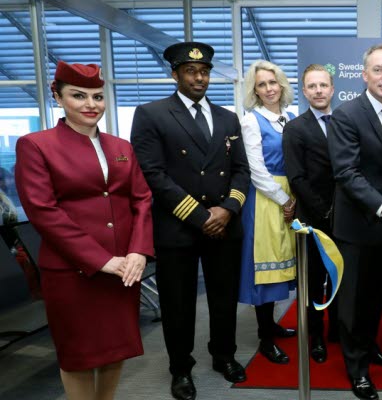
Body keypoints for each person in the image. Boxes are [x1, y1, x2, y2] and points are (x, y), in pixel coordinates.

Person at [15, 60, 154, 400]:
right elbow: (43, 211)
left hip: (123, 269)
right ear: (58, 99)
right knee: (78, 356)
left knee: (115, 350)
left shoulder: (121, 147)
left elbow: (142, 200)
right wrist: (102, 260)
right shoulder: (36, 145)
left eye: (98, 96)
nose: (92, 105)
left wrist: (137, 251)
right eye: (79, 96)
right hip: (73, 272)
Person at [130, 42, 250, 400]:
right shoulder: (152, 114)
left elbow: (241, 170)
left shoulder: (227, 117)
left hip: (224, 225)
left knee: (224, 297)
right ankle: (180, 368)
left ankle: (223, 355)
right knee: (178, 303)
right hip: (179, 226)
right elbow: (152, 173)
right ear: (175, 74)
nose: (199, 77)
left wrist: (228, 208)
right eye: (191, 71)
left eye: (205, 71)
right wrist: (200, 216)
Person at [328, 43, 382, 400]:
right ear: (364, 75)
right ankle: (357, 368)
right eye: (378, 70)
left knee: (375, 297)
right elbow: (346, 172)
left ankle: (370, 347)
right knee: (352, 302)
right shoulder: (346, 115)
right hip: (357, 228)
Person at [238, 60, 299, 365]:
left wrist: (294, 197)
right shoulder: (251, 120)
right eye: (261, 85)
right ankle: (264, 338)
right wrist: (283, 199)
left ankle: (272, 324)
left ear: (282, 85)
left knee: (281, 263)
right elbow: (255, 169)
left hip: (289, 195)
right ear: (255, 90)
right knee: (265, 267)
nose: (269, 89)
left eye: (273, 82)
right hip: (265, 199)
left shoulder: (289, 118)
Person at [283, 63, 339, 363]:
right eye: (312, 86)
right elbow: (297, 178)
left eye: (323, 85)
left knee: (342, 276)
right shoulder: (295, 128)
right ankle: (315, 336)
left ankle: (339, 331)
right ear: (304, 92)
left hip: (346, 218)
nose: (319, 91)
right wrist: (324, 212)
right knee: (314, 281)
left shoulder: (345, 121)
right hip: (313, 218)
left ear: (332, 89)